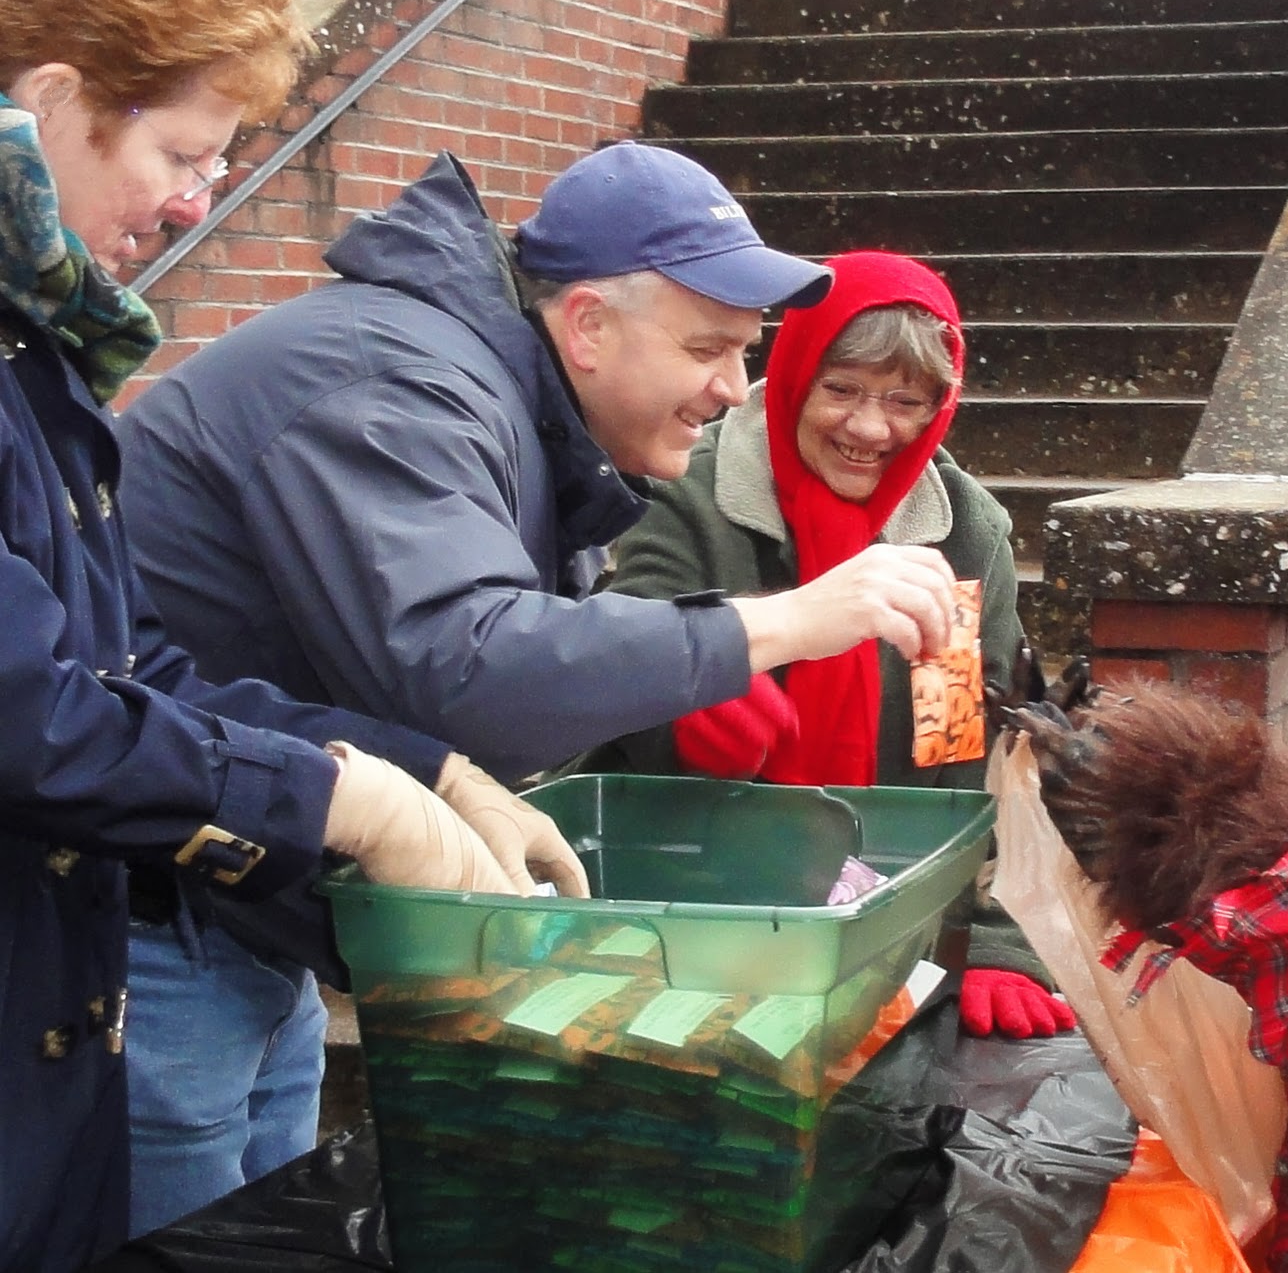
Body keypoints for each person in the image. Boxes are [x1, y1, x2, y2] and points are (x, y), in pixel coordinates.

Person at [115, 143, 958, 1227]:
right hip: (150, 909)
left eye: (744, 352)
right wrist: (778, 623)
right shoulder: (399, 381)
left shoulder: (485, 390)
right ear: (589, 325)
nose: (732, 388)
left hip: (243, 897)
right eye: (708, 347)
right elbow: (466, 663)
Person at [0, 0, 590, 1273]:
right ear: (63, 103)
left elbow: (131, 670)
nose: (204, 198)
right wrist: (339, 797)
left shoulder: (40, 355)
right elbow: (29, 710)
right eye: (183, 152)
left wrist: (410, 764)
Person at [571, 249, 1073, 1040]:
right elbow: (606, 669)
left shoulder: (969, 534)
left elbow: (989, 757)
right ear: (798, 375)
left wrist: (1003, 942)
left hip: (884, 920)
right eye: (841, 390)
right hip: (687, 908)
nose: (870, 428)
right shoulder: (689, 493)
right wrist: (684, 711)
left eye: (905, 401)